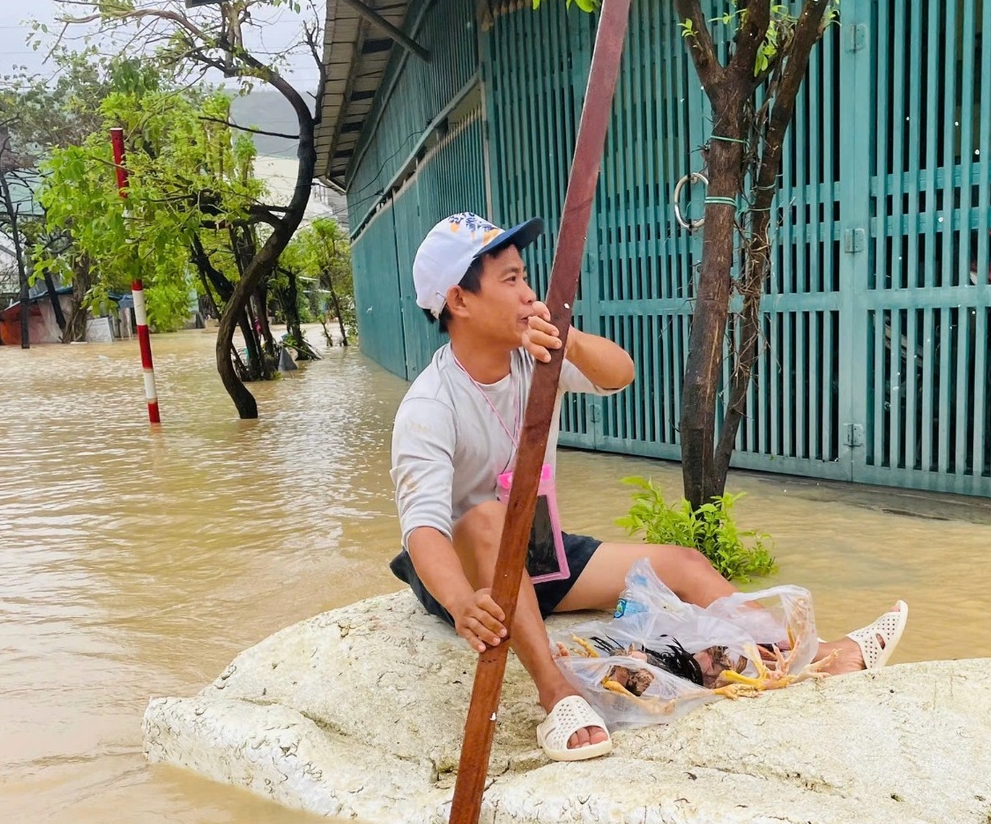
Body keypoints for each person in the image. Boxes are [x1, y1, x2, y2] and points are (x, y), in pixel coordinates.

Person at [389, 213, 908, 762]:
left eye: (524, 276)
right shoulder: (429, 405)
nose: (528, 292)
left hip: (538, 551)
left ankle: (815, 655)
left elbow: (620, 374)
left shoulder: (536, 357)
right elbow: (423, 529)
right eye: (510, 280)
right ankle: (556, 692)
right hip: (471, 574)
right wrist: (460, 602)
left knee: (684, 564)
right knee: (491, 518)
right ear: (460, 301)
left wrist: (570, 340)